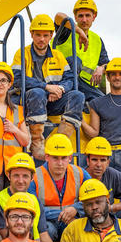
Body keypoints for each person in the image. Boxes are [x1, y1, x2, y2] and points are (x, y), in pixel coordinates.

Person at [10, 13, 85, 160]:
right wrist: (46, 87)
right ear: (31, 34)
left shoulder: (58, 56)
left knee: (78, 95)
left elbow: (70, 78)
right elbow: (16, 78)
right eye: (38, 35)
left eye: (45, 35)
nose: (42, 39)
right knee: (37, 92)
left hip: (53, 100)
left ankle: (59, 141)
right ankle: (37, 143)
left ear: (51, 35)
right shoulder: (22, 53)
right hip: (29, 102)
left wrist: (60, 89)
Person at [29, 134, 91, 242]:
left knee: (78, 227)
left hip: (72, 219)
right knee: (47, 230)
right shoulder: (34, 177)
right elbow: (33, 208)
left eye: (64, 158)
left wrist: (76, 208)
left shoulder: (80, 173)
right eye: (55, 158)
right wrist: (63, 214)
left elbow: (94, 198)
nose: (60, 163)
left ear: (70, 158)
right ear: (47, 157)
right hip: (46, 222)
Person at [53, 0, 109, 101]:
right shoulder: (67, 31)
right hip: (62, 82)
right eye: (81, 16)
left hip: (85, 86)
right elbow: (58, 16)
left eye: (87, 15)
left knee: (105, 102)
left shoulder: (97, 40)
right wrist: (78, 31)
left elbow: (107, 64)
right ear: (75, 17)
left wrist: (102, 68)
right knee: (75, 60)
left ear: (94, 16)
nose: (84, 19)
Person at [82, 136, 121, 218]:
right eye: (94, 159)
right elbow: (84, 210)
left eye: (103, 160)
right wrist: (117, 206)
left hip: (108, 220)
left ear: (108, 162)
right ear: (87, 161)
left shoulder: (111, 173)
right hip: (87, 220)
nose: (98, 165)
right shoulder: (80, 176)